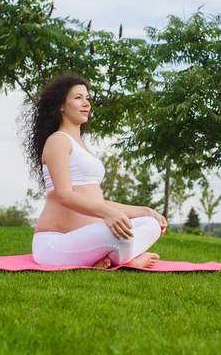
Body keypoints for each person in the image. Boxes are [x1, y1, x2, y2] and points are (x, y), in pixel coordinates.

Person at [19, 72, 167, 269]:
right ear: (61, 105)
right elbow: (64, 195)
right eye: (78, 98)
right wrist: (107, 213)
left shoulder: (81, 145)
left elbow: (96, 202)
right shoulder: (57, 141)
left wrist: (145, 211)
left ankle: (107, 258)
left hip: (87, 240)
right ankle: (130, 259)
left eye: (87, 98)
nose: (86, 103)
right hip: (55, 244)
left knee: (150, 223)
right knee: (122, 236)